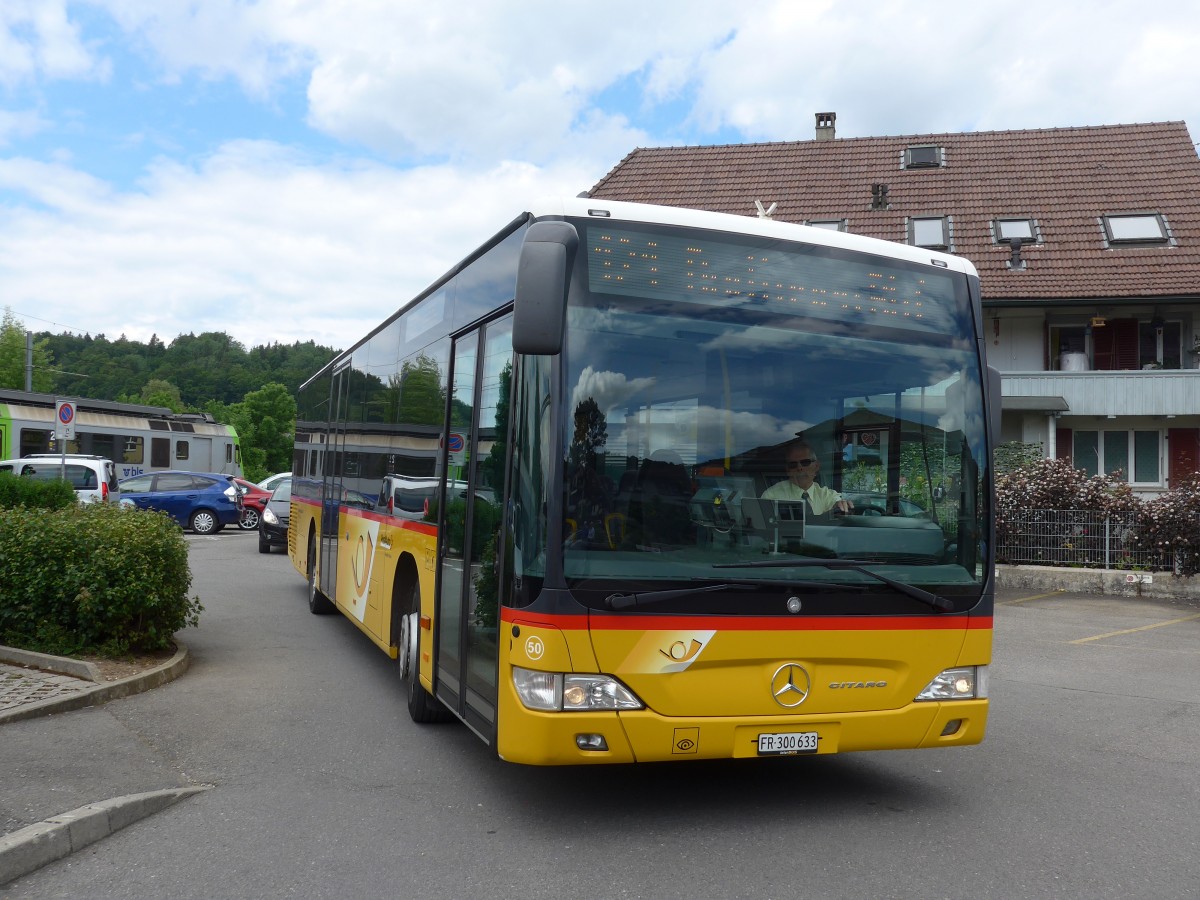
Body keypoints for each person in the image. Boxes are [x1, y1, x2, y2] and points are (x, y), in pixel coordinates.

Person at [760, 442, 853, 514]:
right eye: (793, 464)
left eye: (805, 462)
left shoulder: (826, 495)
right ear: (788, 470)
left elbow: (837, 502)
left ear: (816, 466)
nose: (799, 468)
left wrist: (841, 505)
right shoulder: (772, 496)